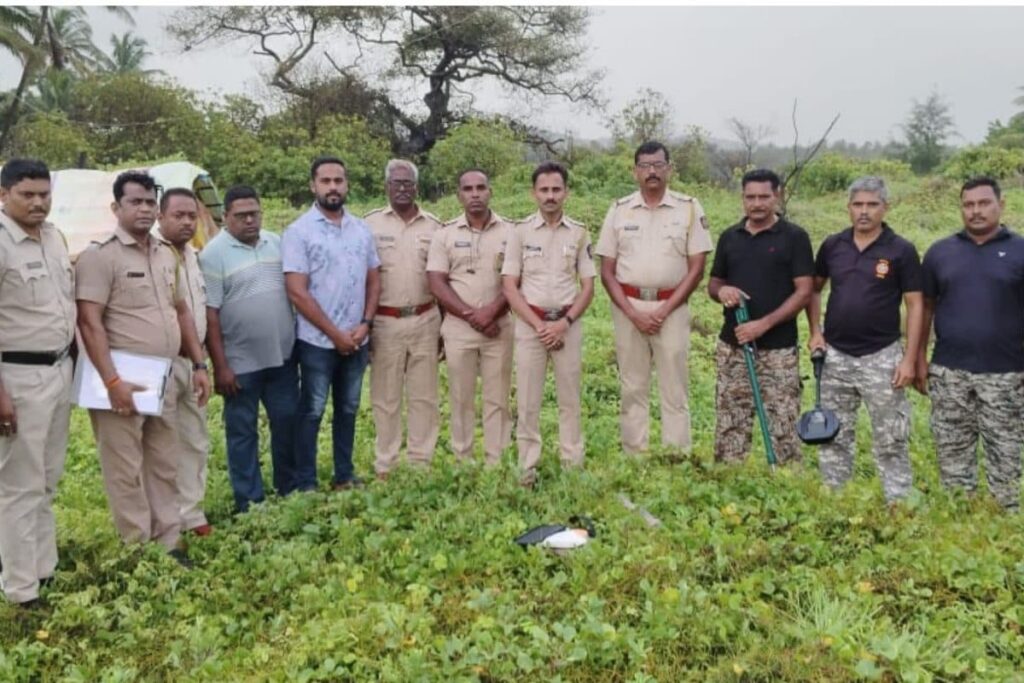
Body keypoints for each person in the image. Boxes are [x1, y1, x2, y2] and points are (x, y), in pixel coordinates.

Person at [76, 171, 210, 564]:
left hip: (162, 373)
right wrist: (112, 381)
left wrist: (199, 364)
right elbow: (89, 322)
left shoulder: (165, 254)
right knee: (126, 468)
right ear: (116, 207)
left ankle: (169, 542)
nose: (145, 209)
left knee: (163, 460)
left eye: (150, 202)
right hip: (120, 376)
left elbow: (181, 311)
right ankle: (137, 549)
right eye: (135, 202)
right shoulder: (99, 256)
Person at [807, 176, 922, 501]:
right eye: (858, 204)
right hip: (836, 356)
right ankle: (834, 498)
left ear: (885, 207)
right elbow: (814, 289)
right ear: (848, 207)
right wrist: (815, 332)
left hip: (882, 356)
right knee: (833, 432)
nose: (864, 211)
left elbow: (915, 305)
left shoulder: (901, 250)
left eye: (872, 204)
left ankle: (898, 502)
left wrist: (909, 359)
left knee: (890, 437)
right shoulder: (833, 246)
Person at [595, 141, 712, 455]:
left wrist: (664, 310)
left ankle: (676, 455)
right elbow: (607, 271)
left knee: (675, 387)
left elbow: (697, 268)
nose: (652, 172)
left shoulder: (689, 208)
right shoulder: (619, 210)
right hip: (628, 308)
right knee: (632, 386)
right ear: (635, 172)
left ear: (669, 169)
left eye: (658, 165)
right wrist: (633, 313)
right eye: (645, 166)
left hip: (672, 308)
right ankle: (635, 455)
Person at [919, 176, 1024, 511]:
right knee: (952, 458)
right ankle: (959, 519)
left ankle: (1004, 522)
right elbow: (925, 308)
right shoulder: (940, 253)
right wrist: (918, 358)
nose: (976, 211)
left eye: (983, 203)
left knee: (1005, 458)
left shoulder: (1020, 251)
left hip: (1006, 375)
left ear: (1001, 205)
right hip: (950, 373)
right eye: (968, 205)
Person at [0, 159, 76, 607]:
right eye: (27, 194)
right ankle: (20, 589)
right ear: (4, 194)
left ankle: (43, 569)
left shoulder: (53, 237)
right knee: (19, 486)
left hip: (58, 370)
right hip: (17, 377)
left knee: (47, 478)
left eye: (44, 194)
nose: (38, 203)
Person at [283, 157, 380, 491]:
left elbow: (373, 278)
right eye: (325, 181)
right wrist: (335, 334)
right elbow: (297, 292)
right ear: (313, 186)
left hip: (357, 338)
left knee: (349, 409)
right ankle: (306, 482)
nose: (333, 187)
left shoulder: (361, 229)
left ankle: (344, 475)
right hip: (317, 343)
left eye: (338, 180)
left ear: (347, 184)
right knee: (312, 411)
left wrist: (365, 324)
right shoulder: (299, 232)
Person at [200, 185, 299, 512]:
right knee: (242, 432)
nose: (249, 221)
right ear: (225, 216)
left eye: (254, 214)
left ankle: (289, 488)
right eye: (240, 216)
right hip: (240, 365)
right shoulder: (213, 255)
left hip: (282, 358)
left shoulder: (276, 243)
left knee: (287, 424)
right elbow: (211, 314)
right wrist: (221, 366)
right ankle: (249, 501)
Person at [708, 169, 813, 465]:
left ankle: (785, 480)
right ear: (742, 198)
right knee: (730, 420)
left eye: (764, 197)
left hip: (778, 350)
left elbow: (804, 291)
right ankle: (729, 477)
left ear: (776, 196)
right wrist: (723, 290)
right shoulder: (730, 237)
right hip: (734, 346)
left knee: (783, 421)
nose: (757, 204)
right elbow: (714, 284)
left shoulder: (795, 238)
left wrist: (763, 325)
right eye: (750, 197)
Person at [502, 161, 595, 488]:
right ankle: (527, 468)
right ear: (534, 193)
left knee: (570, 399)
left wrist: (565, 322)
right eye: (544, 190)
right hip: (531, 327)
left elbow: (588, 287)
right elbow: (510, 286)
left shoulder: (579, 232)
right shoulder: (519, 232)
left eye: (556, 189)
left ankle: (573, 465)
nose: (550, 196)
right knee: (528, 401)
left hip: (568, 325)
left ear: (566, 192)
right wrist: (539, 325)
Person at [427, 168, 513, 466]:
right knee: (460, 397)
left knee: (497, 397)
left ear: (490, 192)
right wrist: (472, 316)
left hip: (499, 327)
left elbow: (518, 279)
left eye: (480, 187)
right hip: (458, 329)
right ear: (458, 195)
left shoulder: (511, 232)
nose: (475, 194)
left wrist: (491, 313)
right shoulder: (444, 234)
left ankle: (496, 460)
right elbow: (436, 282)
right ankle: (462, 460)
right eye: (468, 189)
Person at [364, 160, 442, 479]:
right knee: (386, 397)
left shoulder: (434, 227)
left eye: (408, 183)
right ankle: (386, 463)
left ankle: (421, 462)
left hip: (426, 318)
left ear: (416, 187)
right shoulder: (369, 225)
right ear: (386, 187)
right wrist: (365, 325)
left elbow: (442, 278)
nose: (402, 188)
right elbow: (361, 278)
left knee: (425, 395)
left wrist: (444, 326)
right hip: (385, 322)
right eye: (396, 183)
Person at [156, 188, 212, 535]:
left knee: (194, 439)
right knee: (161, 444)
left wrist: (202, 363)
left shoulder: (194, 255)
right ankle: (165, 519)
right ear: (160, 216)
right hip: (161, 362)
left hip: (194, 362)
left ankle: (192, 514)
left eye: (192, 216)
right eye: (178, 215)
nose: (187, 222)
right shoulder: (150, 253)